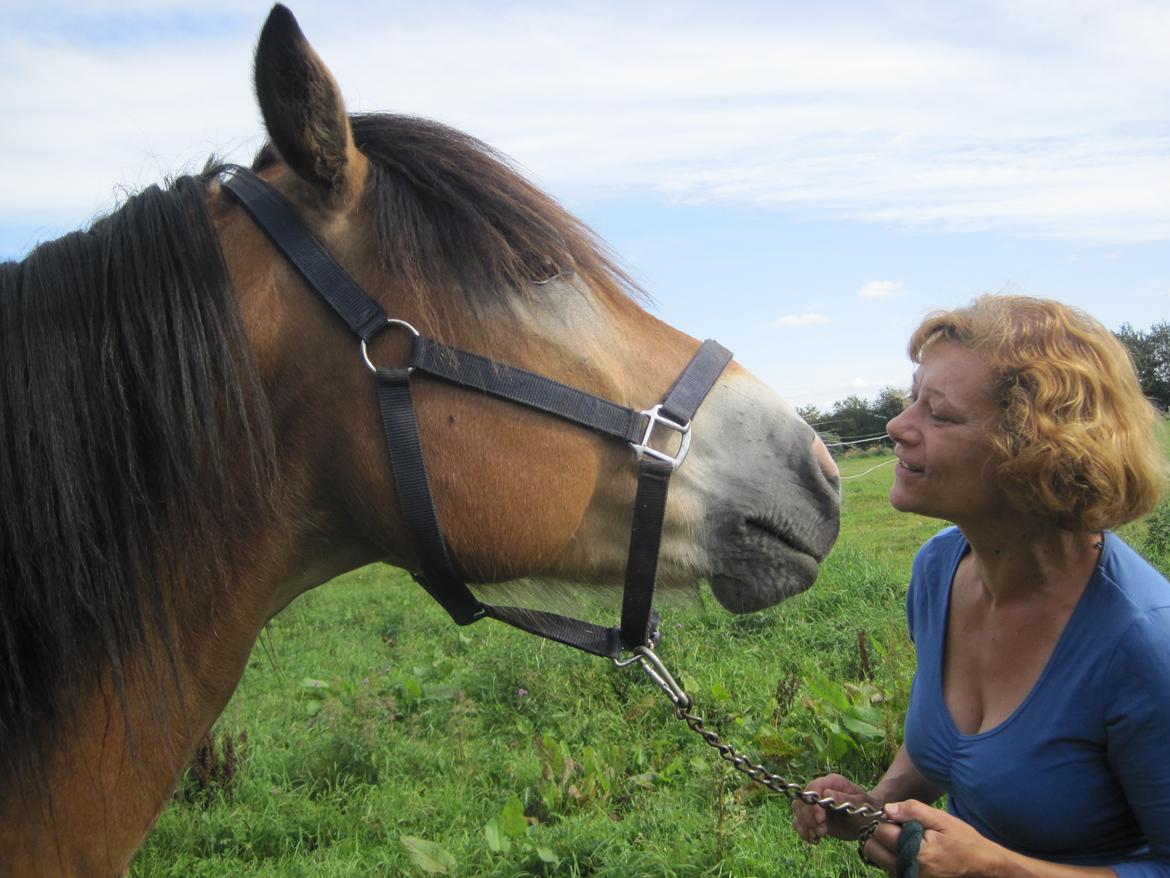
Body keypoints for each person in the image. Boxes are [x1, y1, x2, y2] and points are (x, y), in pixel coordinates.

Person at [791, 295, 1170, 876]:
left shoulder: (1145, 644)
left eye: (938, 414)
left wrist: (995, 870)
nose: (897, 426)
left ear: (1038, 453)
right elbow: (951, 750)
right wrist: (877, 802)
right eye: (911, 398)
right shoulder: (940, 568)